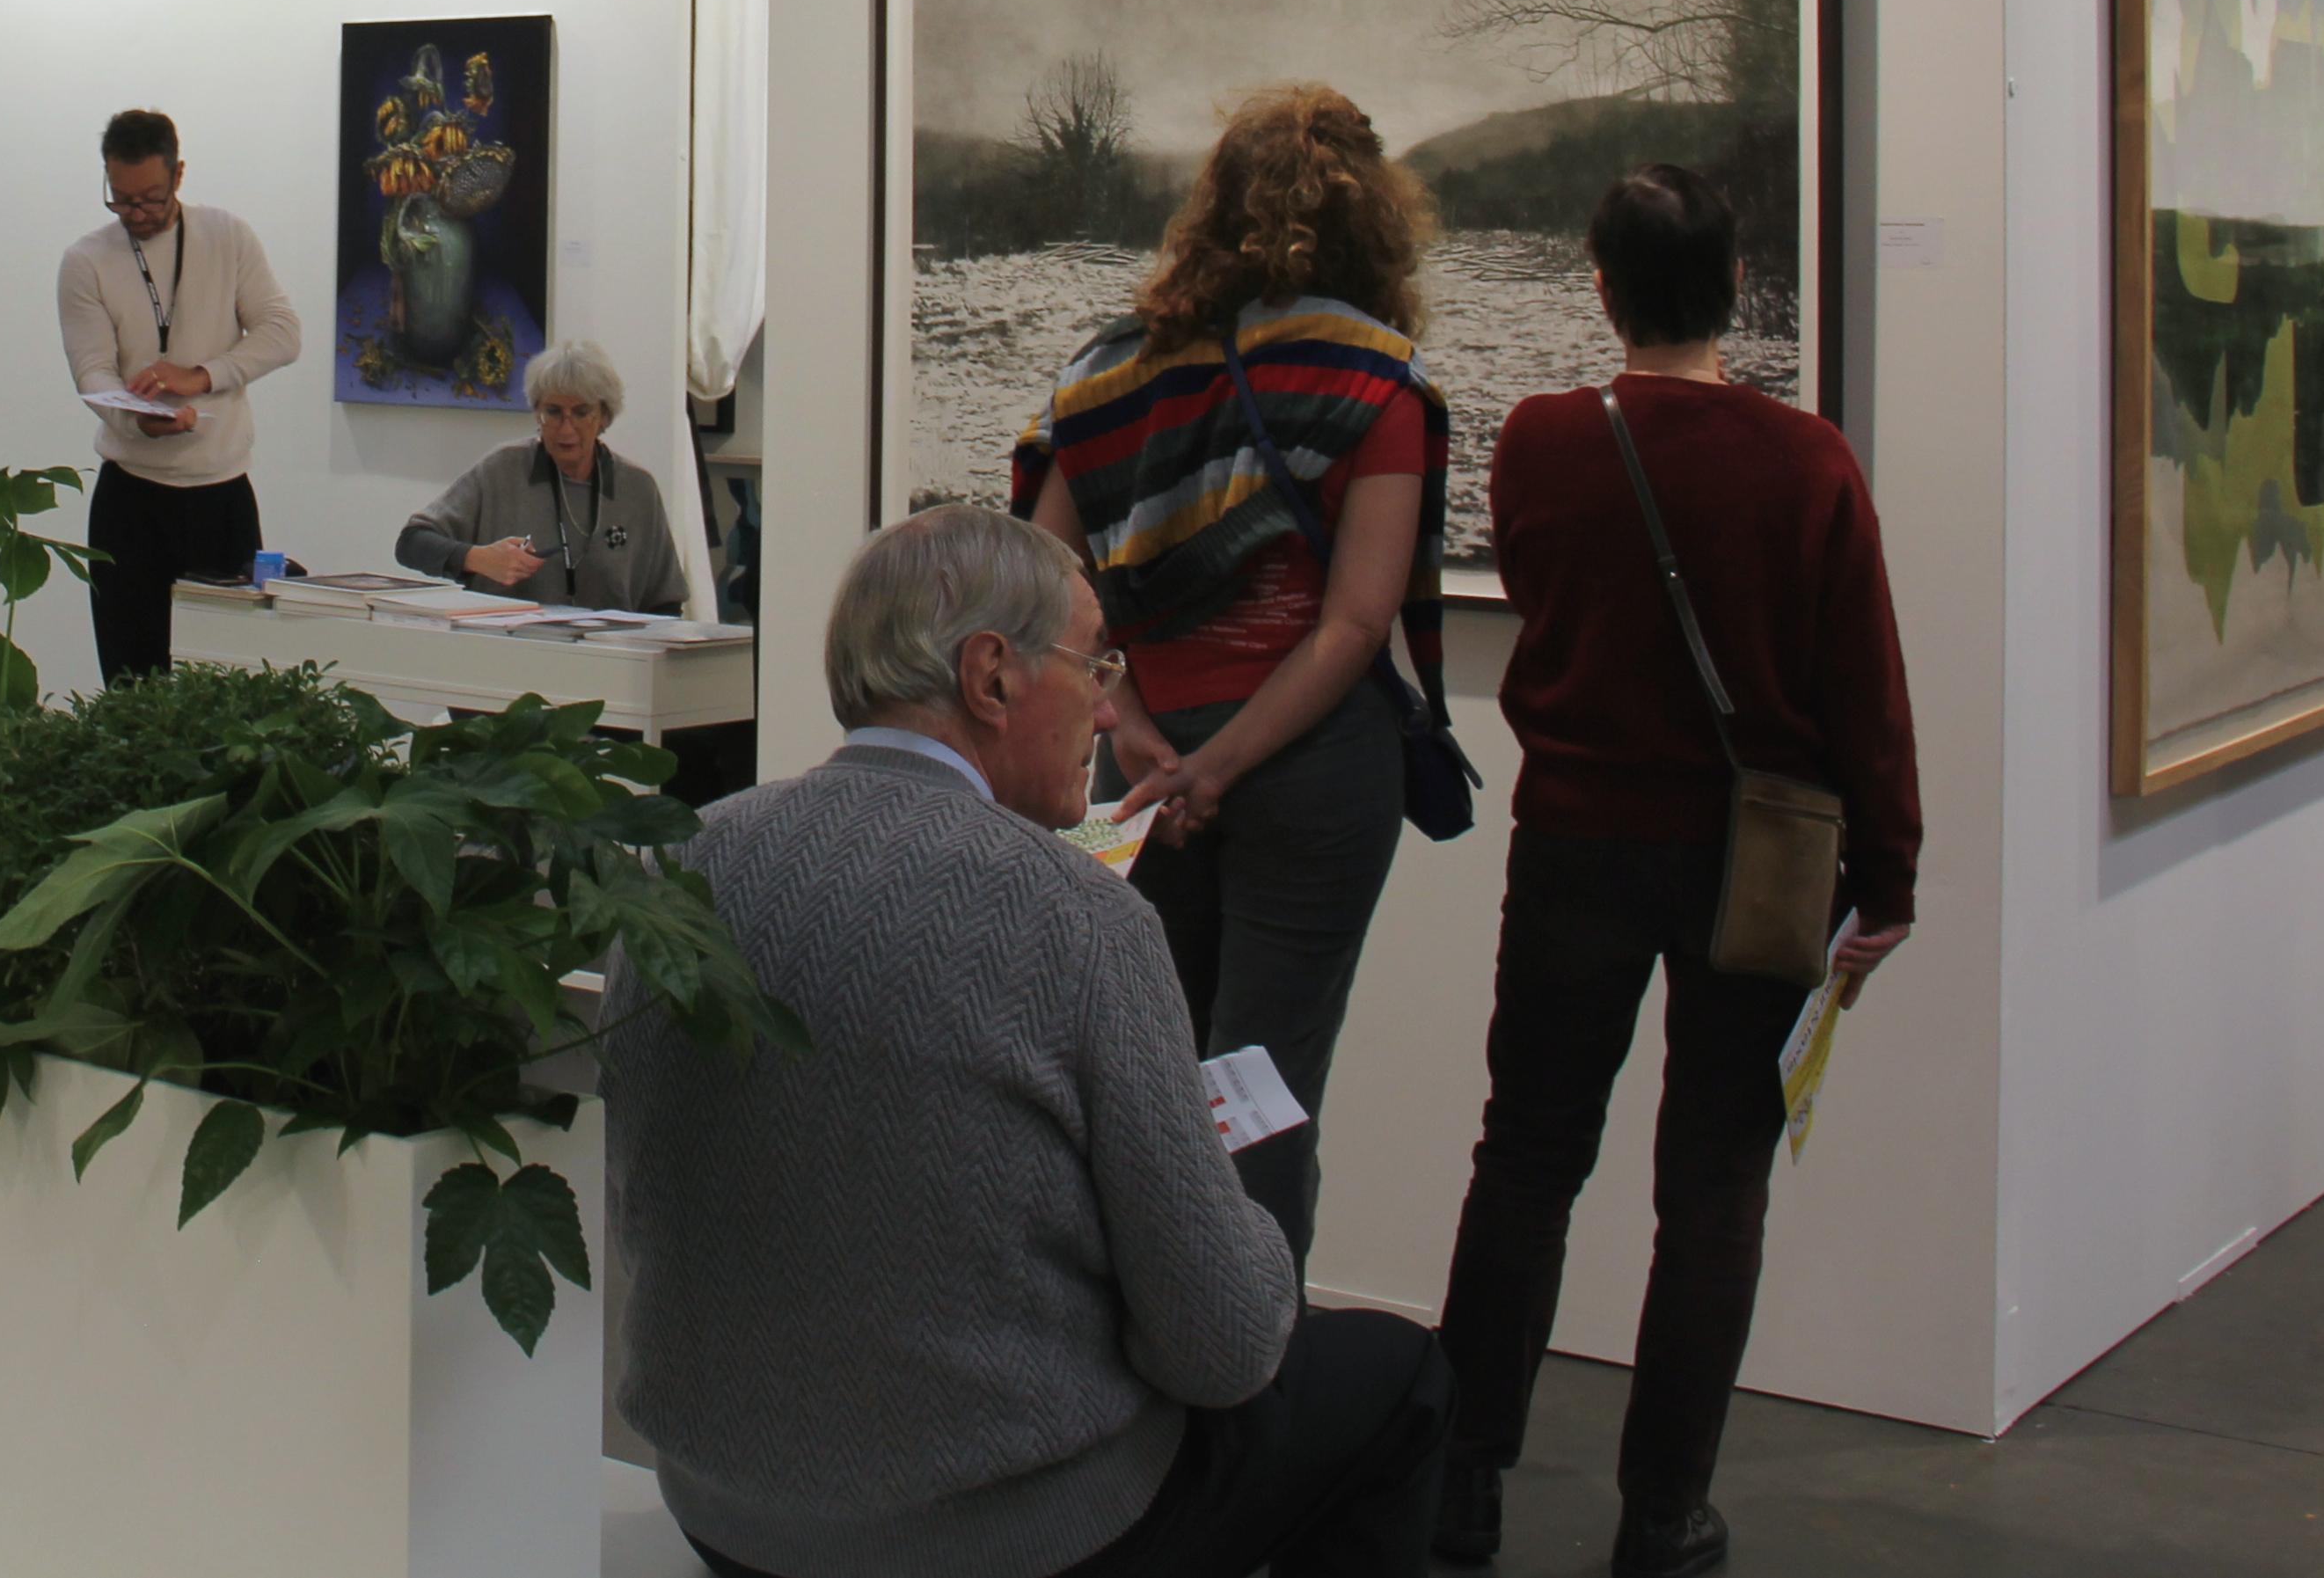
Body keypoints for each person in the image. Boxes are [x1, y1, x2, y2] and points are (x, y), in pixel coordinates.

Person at [603, 504, 1447, 1578]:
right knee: (1402, 1378)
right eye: (1094, 667)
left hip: (725, 1512)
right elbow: (1224, 1349)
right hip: (1010, 1537)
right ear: (992, 676)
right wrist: (1250, 1219)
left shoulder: (677, 869)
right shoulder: (1078, 918)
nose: (1109, 710)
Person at [1428, 168, 1918, 1578]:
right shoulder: (1808, 462)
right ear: (1738, 287)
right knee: (1711, 1187)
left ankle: (1464, 1482)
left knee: (1526, 1155)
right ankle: (1663, 1513)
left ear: (1602, 287)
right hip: (1753, 860)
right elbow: (1863, 688)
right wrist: (1888, 877)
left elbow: (1543, 599)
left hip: (1576, 840)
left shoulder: (1541, 439)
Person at [1015, 81, 1445, 1268]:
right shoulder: (1375, 378)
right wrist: (1221, 767)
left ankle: (1149, 1359)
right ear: (1373, 219)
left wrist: (1131, 724)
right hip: (1309, 772)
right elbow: (1353, 626)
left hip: (1144, 769)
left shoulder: (1107, 372)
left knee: (1152, 1085)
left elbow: (1045, 586)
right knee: (1264, 1088)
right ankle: (1254, 1362)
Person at [55, 106, 299, 686]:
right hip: (130, 500)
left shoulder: (227, 236)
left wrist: (202, 374)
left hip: (222, 495)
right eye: (121, 200)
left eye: (151, 199)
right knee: (132, 682)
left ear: (178, 175)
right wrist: (135, 420)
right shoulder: (86, 261)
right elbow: (93, 372)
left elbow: (282, 334)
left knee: (229, 684)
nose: (137, 214)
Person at [394, 340, 697, 614]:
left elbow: (665, 603)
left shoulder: (637, 489)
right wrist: (477, 558)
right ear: (537, 412)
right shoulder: (502, 469)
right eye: (553, 412)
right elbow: (411, 542)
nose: (566, 428)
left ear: (604, 416)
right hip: (509, 648)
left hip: (609, 653)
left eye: (581, 413)